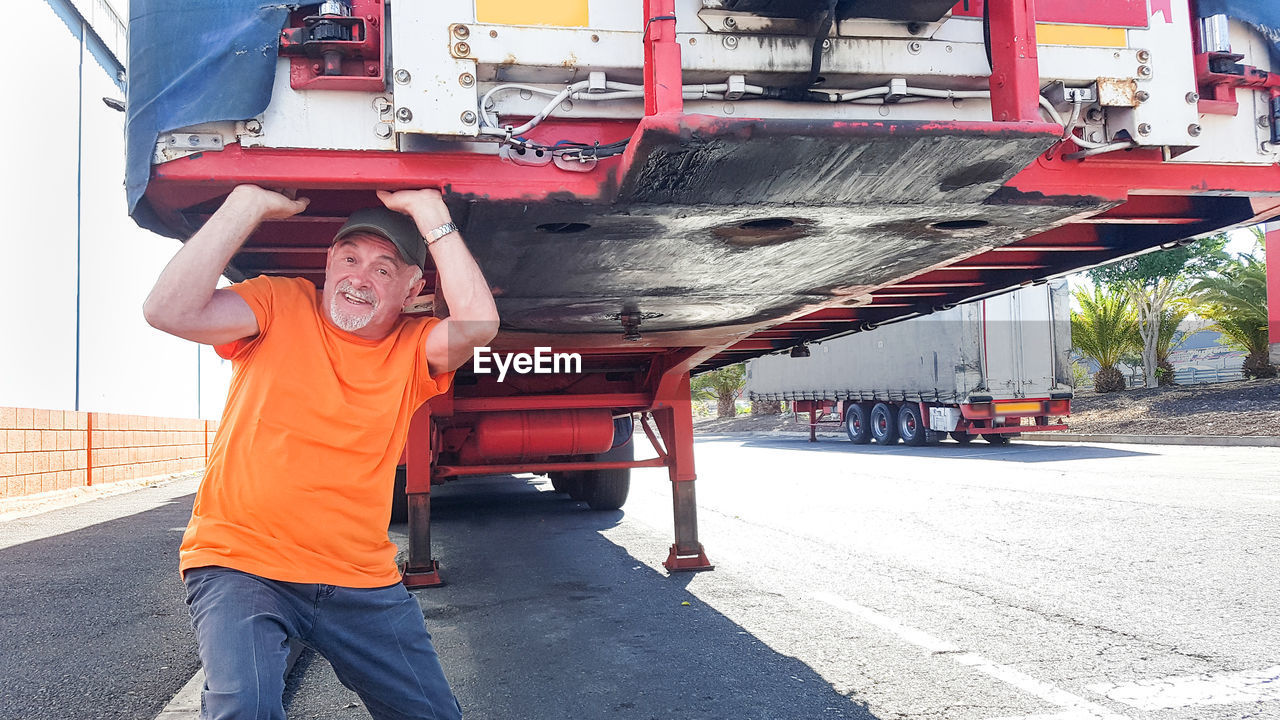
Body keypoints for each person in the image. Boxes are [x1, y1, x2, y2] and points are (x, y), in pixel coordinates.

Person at [143, 185, 498, 720]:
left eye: (383, 269)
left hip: (359, 579)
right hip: (244, 564)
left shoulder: (412, 346)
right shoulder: (279, 303)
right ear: (329, 263)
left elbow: (479, 326)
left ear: (411, 288)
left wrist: (431, 213)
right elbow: (167, 310)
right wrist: (248, 204)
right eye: (350, 258)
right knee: (244, 708)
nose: (360, 277)